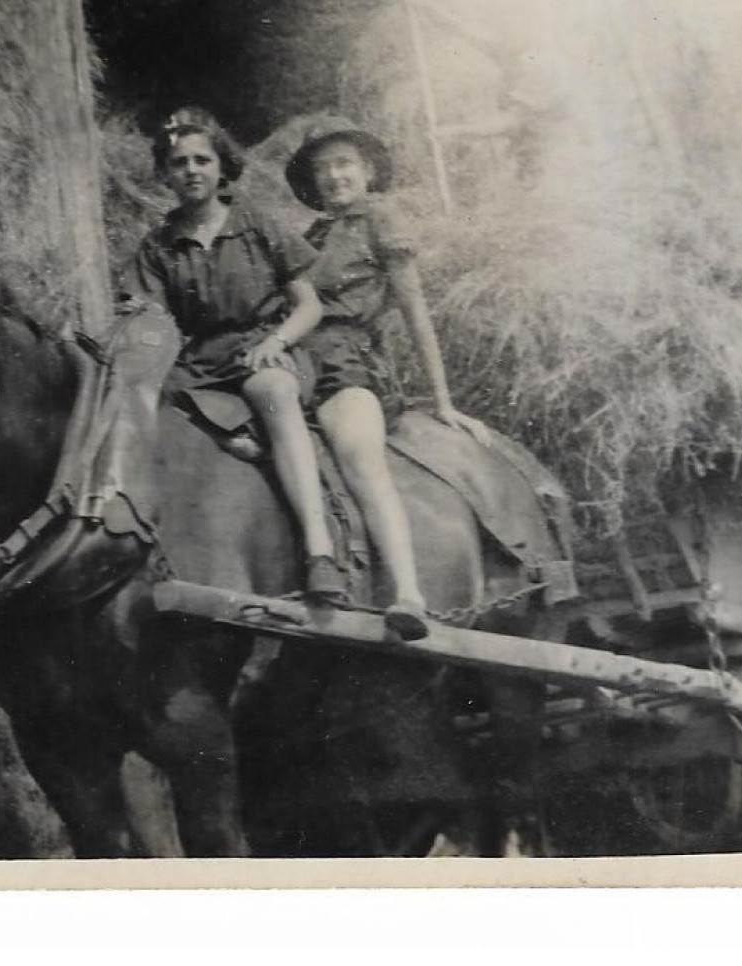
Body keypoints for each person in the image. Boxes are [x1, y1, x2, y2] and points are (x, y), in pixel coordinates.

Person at [122, 108, 351, 610]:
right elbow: (151, 319)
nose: (191, 170)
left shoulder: (256, 223)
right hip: (197, 362)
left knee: (273, 392)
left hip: (262, 348)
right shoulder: (159, 246)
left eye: (202, 159)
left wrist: (278, 343)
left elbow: (309, 304)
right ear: (165, 174)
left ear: (222, 167)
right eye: (178, 162)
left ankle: (319, 550)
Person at [285, 117, 490, 641]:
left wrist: (444, 402)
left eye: (343, 163)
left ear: (367, 170)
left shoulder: (381, 220)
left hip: (347, 366)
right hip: (298, 364)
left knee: (358, 456)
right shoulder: (308, 238)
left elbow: (415, 310)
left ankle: (408, 594)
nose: (334, 176)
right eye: (322, 167)